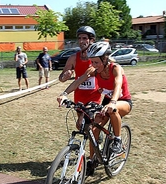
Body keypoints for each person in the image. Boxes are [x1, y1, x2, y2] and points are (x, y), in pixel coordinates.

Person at [57, 41, 132, 176]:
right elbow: (77, 82)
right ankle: (92, 160)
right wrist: (64, 94)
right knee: (93, 129)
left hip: (122, 101)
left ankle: (118, 140)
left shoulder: (115, 68)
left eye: (96, 62)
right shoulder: (94, 70)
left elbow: (117, 84)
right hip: (108, 102)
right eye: (92, 62)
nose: (93, 65)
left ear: (105, 59)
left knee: (112, 110)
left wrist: (113, 102)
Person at [58, 26, 101, 130]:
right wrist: (65, 75)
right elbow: (61, 78)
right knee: (80, 126)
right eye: (79, 38)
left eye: (84, 38)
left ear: (92, 40)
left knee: (87, 124)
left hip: (94, 96)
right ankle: (95, 138)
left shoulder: (97, 58)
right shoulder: (73, 58)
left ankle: (96, 138)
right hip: (79, 97)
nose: (81, 41)